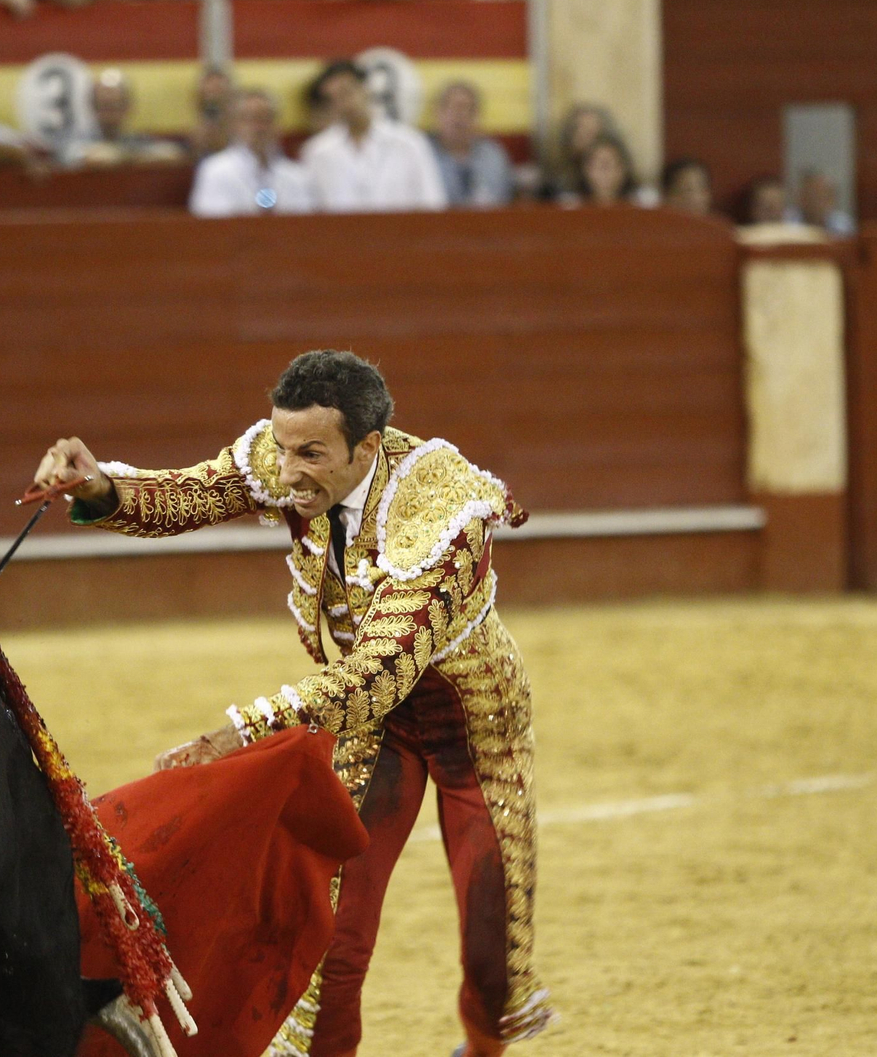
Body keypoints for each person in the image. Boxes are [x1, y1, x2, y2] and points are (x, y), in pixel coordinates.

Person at [29, 350, 556, 1057]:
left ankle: (483, 1047)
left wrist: (241, 730)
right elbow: (195, 493)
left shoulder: (442, 511)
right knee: (330, 936)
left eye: (311, 453)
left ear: (367, 447)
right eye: (281, 447)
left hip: (474, 723)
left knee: (492, 949)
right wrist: (101, 486)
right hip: (371, 727)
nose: (287, 470)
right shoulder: (289, 457)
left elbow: (379, 671)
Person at [302, 60, 447, 213]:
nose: (344, 103)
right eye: (334, 98)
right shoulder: (317, 152)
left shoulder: (409, 143)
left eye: (347, 92)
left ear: (365, 88)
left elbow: (431, 204)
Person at [189, 88, 314, 216]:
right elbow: (210, 222)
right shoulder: (215, 170)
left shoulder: (296, 175)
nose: (259, 127)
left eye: (266, 119)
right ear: (234, 124)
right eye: (250, 119)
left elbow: (306, 223)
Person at [58, 69, 185, 170]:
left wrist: (126, 156)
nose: (110, 112)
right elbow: (73, 156)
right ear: (92, 107)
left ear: (127, 107)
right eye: (104, 106)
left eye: (115, 105)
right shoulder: (74, 138)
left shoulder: (136, 138)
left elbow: (171, 153)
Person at [427, 81, 512, 209]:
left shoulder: (493, 155)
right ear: (438, 113)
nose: (461, 116)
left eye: (469, 109)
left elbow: (504, 201)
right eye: (454, 108)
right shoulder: (423, 153)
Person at [189, 65, 235, 160]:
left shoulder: (239, 125)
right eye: (210, 92)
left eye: (218, 90)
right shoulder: (200, 124)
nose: (214, 94)